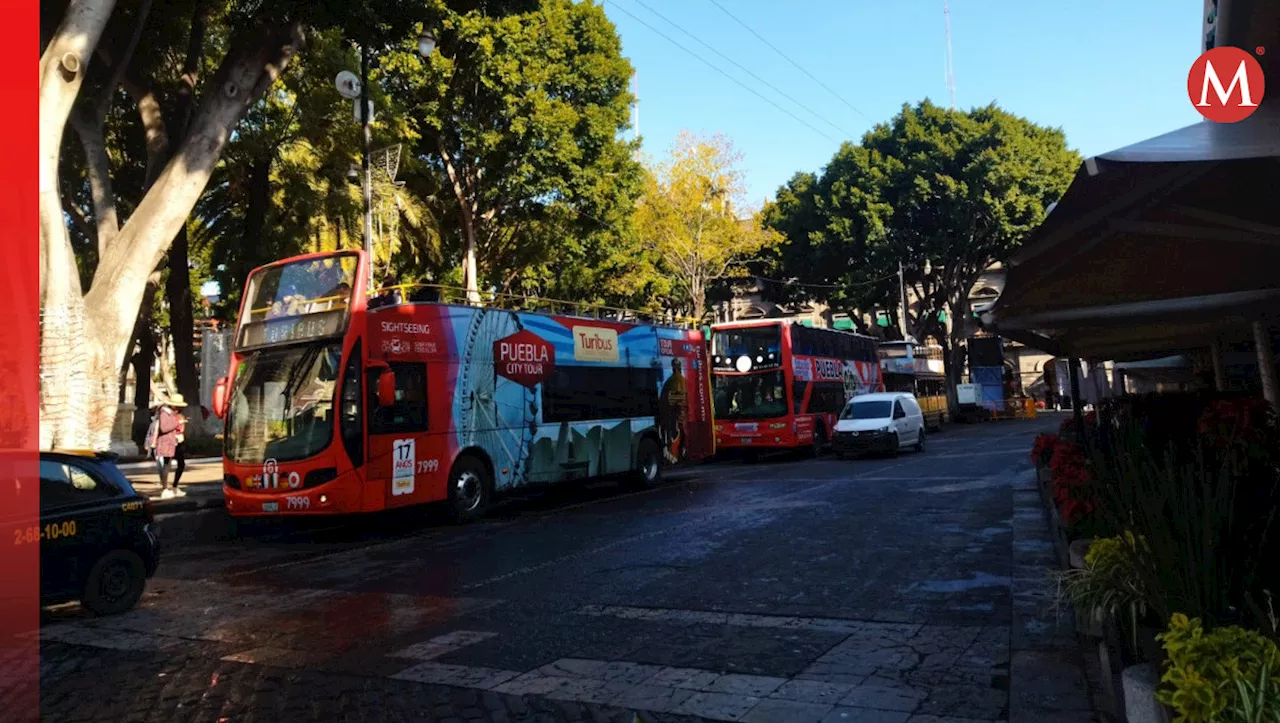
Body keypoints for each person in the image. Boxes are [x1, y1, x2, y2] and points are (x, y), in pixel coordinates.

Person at [151, 394, 189, 499]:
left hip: (176, 441)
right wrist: (178, 422)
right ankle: (164, 489)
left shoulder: (174, 413)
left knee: (181, 463)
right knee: (167, 465)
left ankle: (174, 487)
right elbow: (164, 428)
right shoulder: (165, 413)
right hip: (167, 442)